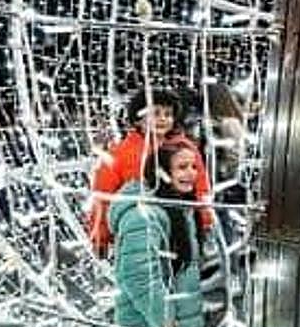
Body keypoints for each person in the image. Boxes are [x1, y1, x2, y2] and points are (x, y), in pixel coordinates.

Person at [88, 88, 211, 255]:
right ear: (138, 119)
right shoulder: (121, 154)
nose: (162, 119)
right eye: (155, 113)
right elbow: (103, 196)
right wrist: (100, 235)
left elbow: (200, 185)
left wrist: (204, 220)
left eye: (168, 114)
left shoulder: (186, 148)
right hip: (140, 231)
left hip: (183, 230)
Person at [110, 145, 204, 327]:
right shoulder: (143, 216)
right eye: (182, 167)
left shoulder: (180, 207)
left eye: (194, 166)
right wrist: (165, 322)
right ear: (160, 172)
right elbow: (138, 276)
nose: (191, 173)